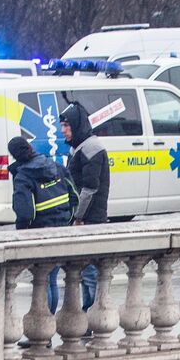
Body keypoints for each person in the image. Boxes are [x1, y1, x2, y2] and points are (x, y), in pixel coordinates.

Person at [45, 102, 109, 312]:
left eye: (66, 126)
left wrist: (78, 216)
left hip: (90, 220)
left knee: (90, 273)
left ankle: (91, 316)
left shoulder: (90, 149)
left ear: (77, 126)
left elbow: (89, 188)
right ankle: (88, 317)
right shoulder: (80, 147)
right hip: (86, 218)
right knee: (85, 273)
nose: (63, 130)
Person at [8, 136, 73, 230]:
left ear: (14, 156)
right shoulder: (57, 167)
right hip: (65, 224)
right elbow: (74, 196)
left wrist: (21, 230)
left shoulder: (22, 178)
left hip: (38, 229)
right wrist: (70, 219)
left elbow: (25, 213)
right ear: (30, 147)